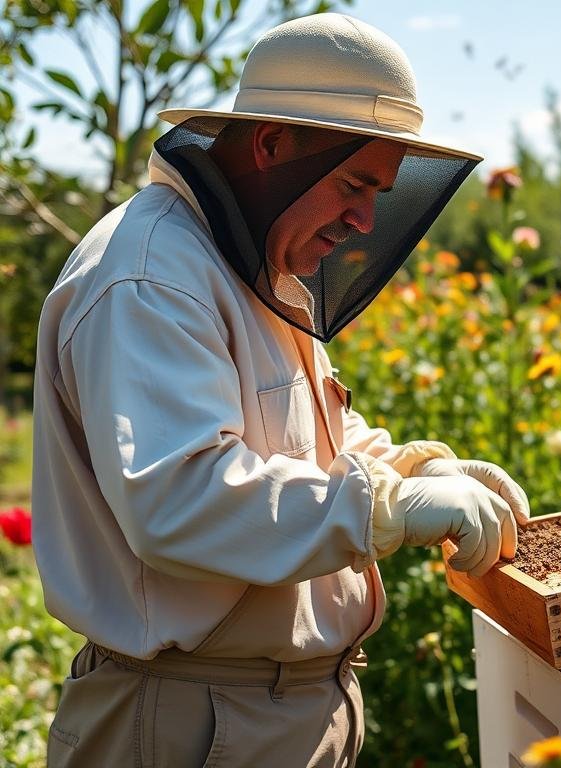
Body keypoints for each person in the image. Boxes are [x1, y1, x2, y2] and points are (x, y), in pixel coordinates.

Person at [31, 13, 529, 767]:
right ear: (271, 146)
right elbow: (179, 498)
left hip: (262, 713)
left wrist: (416, 469)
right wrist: (386, 508)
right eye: (355, 184)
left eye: (379, 192)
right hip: (190, 722)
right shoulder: (150, 276)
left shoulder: (243, 259)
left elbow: (305, 437)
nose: (364, 220)